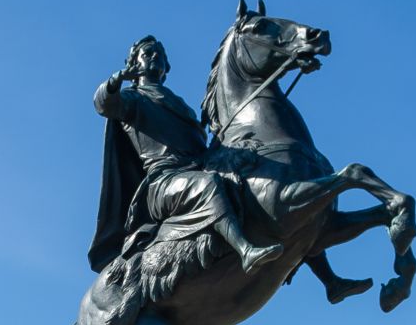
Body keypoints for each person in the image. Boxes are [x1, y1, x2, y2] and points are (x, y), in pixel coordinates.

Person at [89, 35, 282, 275]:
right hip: (163, 181)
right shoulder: (132, 99)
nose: (155, 56)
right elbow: (103, 103)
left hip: (196, 167)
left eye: (159, 54)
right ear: (134, 63)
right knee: (207, 185)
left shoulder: (178, 103)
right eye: (147, 53)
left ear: (167, 67)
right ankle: (245, 250)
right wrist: (117, 79)